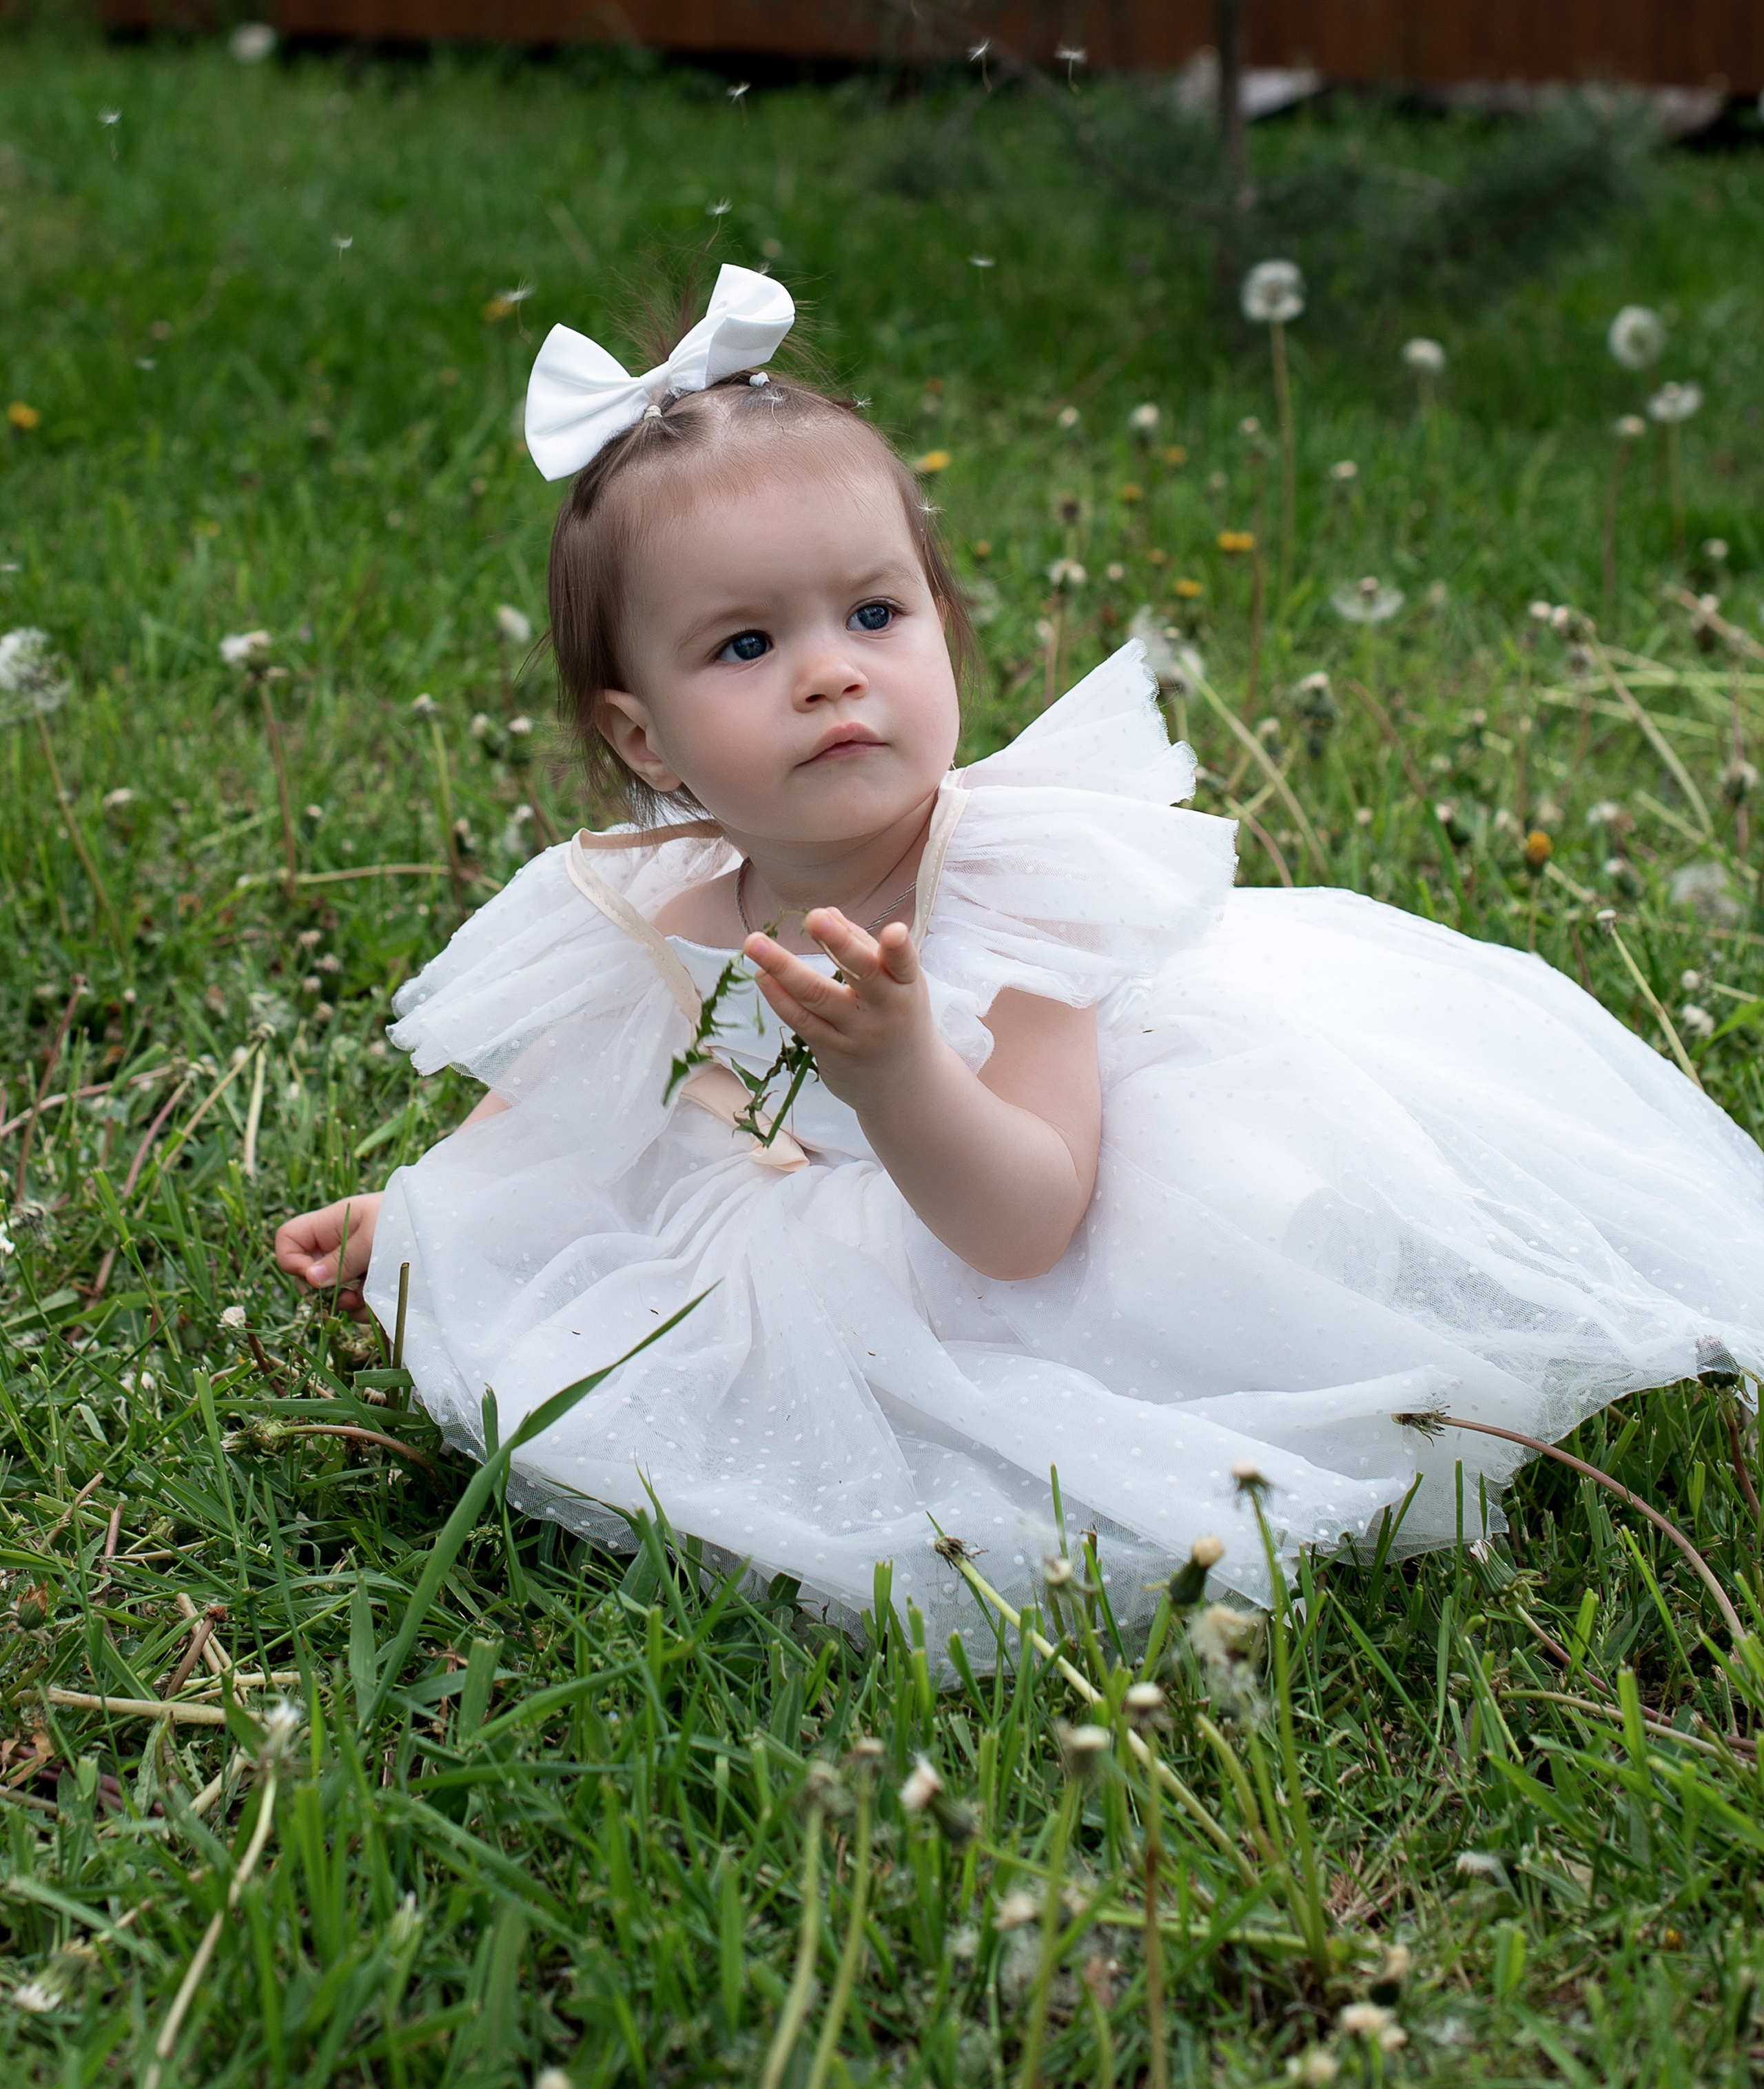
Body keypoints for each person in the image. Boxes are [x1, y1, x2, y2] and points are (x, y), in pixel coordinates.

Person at [276, 265, 1764, 1637]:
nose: (830, 671)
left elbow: (1028, 1225)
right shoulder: (649, 906)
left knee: (1102, 1414)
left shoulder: (1015, 888)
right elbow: (553, 1109)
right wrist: (413, 1214)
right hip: (818, 1230)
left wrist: (900, 1070)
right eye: (745, 646)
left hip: (1053, 1206)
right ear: (638, 731)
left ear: (944, 626)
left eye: (873, 611)